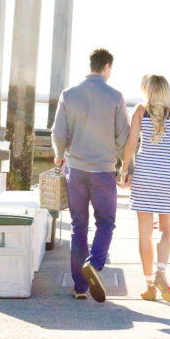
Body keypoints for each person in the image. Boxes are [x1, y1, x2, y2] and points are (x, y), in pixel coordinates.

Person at [52, 47, 130, 302]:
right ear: (106, 67)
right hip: (103, 171)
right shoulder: (115, 96)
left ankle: (79, 287)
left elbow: (57, 132)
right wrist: (126, 166)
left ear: (90, 66)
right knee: (106, 223)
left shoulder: (68, 94)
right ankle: (94, 264)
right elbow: (123, 137)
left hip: (75, 169)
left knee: (78, 227)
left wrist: (59, 153)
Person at [121, 74, 170, 302]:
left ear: (149, 90)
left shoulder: (140, 110)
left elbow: (131, 143)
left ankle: (149, 285)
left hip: (145, 175)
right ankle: (161, 273)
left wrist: (124, 171)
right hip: (167, 176)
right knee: (166, 230)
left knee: (144, 233)